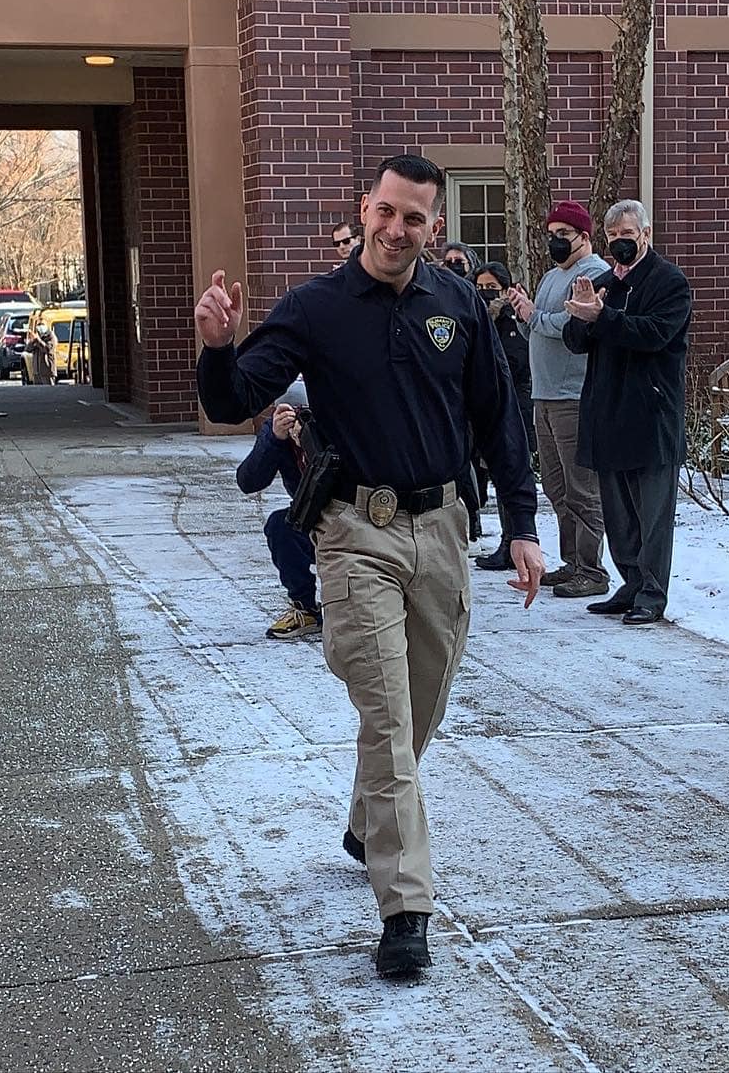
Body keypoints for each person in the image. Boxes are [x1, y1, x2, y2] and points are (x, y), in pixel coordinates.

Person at [195, 153, 543, 980]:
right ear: (366, 208)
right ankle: (406, 908)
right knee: (387, 719)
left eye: (414, 218)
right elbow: (232, 395)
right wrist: (217, 346)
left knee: (422, 705)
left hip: (443, 530)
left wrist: (522, 525)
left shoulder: (457, 303)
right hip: (356, 535)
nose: (395, 230)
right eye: (385, 212)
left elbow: (500, 425)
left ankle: (367, 820)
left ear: (436, 228)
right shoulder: (316, 306)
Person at [562, 199, 691, 625]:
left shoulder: (669, 282)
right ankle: (631, 582)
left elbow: (653, 335)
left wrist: (603, 317)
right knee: (618, 514)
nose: (620, 243)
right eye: (613, 236)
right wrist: (582, 317)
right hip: (607, 413)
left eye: (627, 235)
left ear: (646, 235)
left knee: (652, 516)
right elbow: (576, 340)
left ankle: (653, 593)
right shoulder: (602, 283)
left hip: (651, 415)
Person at [507, 200, 611, 596]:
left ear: (584, 237)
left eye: (562, 235)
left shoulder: (595, 274)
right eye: (550, 235)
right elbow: (537, 326)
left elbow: (575, 324)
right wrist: (523, 313)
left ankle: (592, 568)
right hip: (544, 395)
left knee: (582, 488)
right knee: (556, 487)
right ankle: (572, 563)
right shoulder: (551, 276)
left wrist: (534, 316)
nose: (555, 242)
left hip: (574, 396)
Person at [237, 380, 321, 639]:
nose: (298, 418)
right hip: (309, 518)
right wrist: (274, 439)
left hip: (350, 514)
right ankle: (304, 608)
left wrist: (310, 439)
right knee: (279, 526)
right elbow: (248, 481)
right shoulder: (275, 433)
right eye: (291, 412)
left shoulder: (335, 425)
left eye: (304, 411)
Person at [471, 261, 535, 571]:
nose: (485, 293)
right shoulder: (476, 319)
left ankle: (515, 539)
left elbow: (518, 362)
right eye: (480, 287)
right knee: (494, 474)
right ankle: (507, 540)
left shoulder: (513, 320)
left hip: (517, 406)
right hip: (487, 409)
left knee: (511, 472)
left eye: (492, 287)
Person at [24, 318, 58, 384]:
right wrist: (32, 341)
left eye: (42, 324)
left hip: (47, 371)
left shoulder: (51, 336)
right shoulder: (37, 336)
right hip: (36, 372)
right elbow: (28, 349)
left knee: (48, 390)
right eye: (39, 325)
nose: (40, 327)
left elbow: (47, 349)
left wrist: (38, 340)